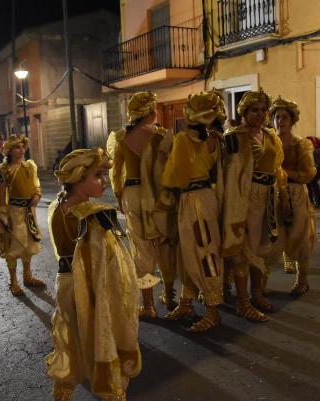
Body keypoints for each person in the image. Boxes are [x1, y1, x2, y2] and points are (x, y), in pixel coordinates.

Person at [46, 148, 141, 401]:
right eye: (98, 175)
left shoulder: (58, 206)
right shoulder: (92, 217)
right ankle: (113, 393)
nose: (105, 181)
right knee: (103, 340)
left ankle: (63, 392)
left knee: (72, 344)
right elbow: (109, 266)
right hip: (89, 290)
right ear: (78, 178)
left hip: (66, 287)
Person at [107, 91, 177, 318]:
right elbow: (170, 170)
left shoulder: (120, 138)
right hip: (158, 196)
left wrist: (119, 197)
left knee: (141, 249)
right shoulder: (162, 137)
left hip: (132, 195)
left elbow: (115, 173)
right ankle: (168, 295)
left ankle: (148, 306)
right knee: (164, 244)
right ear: (152, 112)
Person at [159, 91, 225, 331]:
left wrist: (164, 153)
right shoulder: (216, 139)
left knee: (203, 252)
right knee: (191, 253)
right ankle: (187, 301)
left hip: (193, 201)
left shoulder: (183, 140)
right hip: (205, 198)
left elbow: (175, 177)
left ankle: (212, 309)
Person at [222, 89, 288, 322]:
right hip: (245, 198)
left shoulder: (271, 136)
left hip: (269, 197)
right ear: (243, 112)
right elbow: (228, 173)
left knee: (263, 246)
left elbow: (277, 169)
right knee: (242, 248)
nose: (260, 115)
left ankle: (257, 294)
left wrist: (284, 195)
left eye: (263, 110)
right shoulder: (234, 137)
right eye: (254, 111)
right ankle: (243, 302)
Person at [270, 96, 317, 293]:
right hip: (273, 194)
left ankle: (302, 280)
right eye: (277, 117)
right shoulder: (268, 143)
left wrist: (283, 173)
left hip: (296, 193)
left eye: (284, 117)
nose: (280, 121)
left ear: (292, 120)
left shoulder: (301, 145)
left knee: (300, 236)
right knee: (274, 235)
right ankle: (261, 283)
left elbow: (308, 173)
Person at [0, 135, 45, 296]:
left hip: (28, 212)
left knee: (28, 244)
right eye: (16, 148)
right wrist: (3, 214)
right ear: (9, 151)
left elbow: (35, 185)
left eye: (22, 147)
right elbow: (1, 197)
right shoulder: (3, 171)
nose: (21, 151)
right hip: (14, 212)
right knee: (13, 247)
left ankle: (28, 276)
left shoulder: (30, 166)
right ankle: (13, 282)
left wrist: (36, 195)